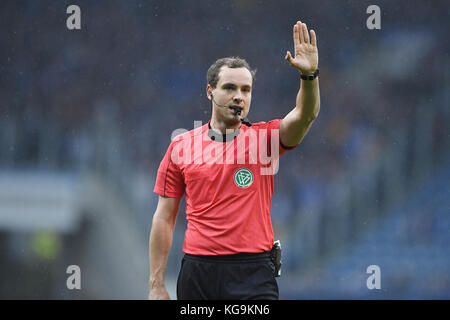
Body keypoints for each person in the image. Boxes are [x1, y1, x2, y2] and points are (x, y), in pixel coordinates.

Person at [149, 20, 320, 300]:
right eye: (230, 87)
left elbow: (306, 115)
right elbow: (164, 218)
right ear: (210, 92)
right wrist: (156, 284)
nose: (239, 96)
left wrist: (310, 76)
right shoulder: (181, 146)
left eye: (246, 90)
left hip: (252, 274)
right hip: (198, 273)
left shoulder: (265, 139)